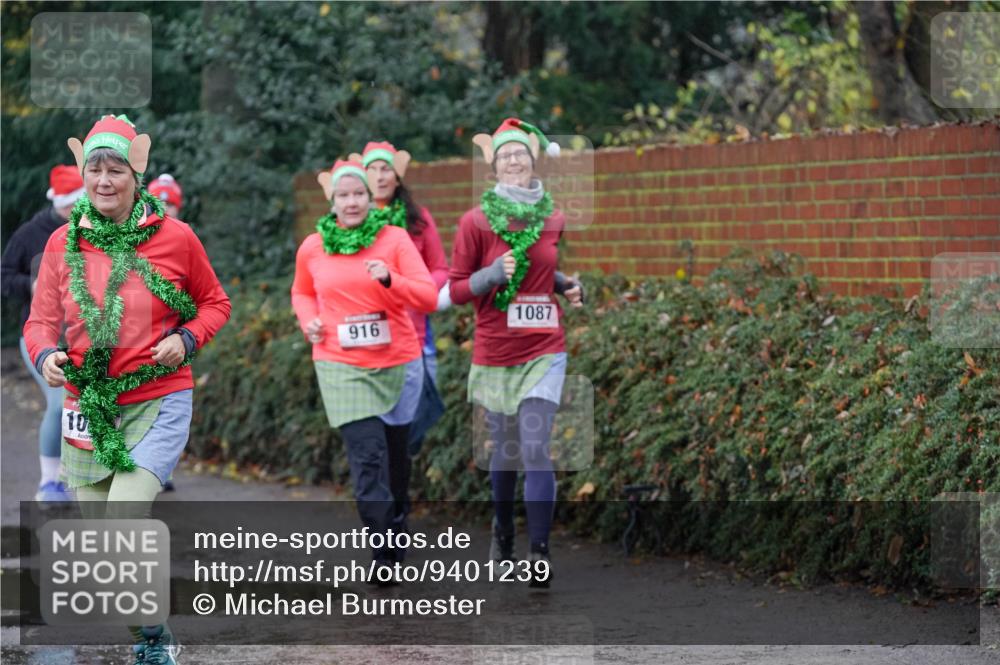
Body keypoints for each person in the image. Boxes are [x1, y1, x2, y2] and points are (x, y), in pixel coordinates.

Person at [24, 115, 231, 664]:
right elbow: (39, 322)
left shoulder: (176, 238)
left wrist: (186, 338)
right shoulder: (62, 242)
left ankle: (155, 647)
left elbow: (215, 303)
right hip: (89, 405)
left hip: (159, 396)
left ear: (135, 174)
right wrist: (45, 355)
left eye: (116, 169)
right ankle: (153, 632)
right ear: (82, 175)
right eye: (95, 169)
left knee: (123, 520)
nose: (104, 180)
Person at [449, 118, 583, 588]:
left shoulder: (553, 218)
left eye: (520, 154)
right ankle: (503, 529)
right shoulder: (474, 222)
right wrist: (490, 275)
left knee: (534, 448)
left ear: (533, 161)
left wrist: (566, 285)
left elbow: (542, 270)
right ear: (493, 166)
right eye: (505, 155)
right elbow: (457, 289)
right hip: (495, 350)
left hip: (545, 347)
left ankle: (539, 552)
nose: (513, 161)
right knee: (505, 455)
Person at [291, 159, 437, 577]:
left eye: (359, 194)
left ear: (371, 198)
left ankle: (397, 524)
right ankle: (382, 553)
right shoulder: (314, 246)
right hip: (340, 364)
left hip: (397, 361)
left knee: (396, 458)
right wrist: (309, 321)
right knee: (368, 456)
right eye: (344, 195)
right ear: (332, 200)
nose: (352, 202)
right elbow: (301, 292)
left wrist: (392, 279)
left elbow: (427, 296)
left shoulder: (394, 239)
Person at [1, 165, 85, 502]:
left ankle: (82, 477)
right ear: (63, 202)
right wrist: (31, 285)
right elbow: (4, 276)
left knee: (87, 406)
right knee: (61, 402)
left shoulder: (96, 229)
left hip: (87, 336)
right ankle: (49, 483)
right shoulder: (30, 234)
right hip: (41, 336)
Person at [147, 172, 184, 492]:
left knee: (171, 403)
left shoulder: (185, 238)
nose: (165, 209)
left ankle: (164, 467)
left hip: (177, 336)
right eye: (159, 202)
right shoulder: (137, 237)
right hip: (141, 336)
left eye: (170, 204)